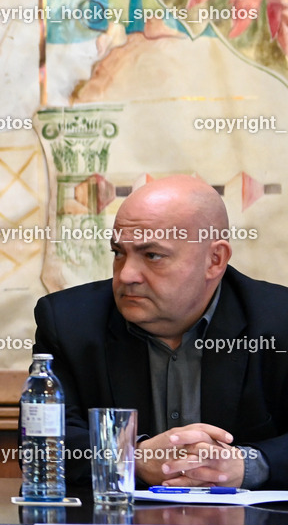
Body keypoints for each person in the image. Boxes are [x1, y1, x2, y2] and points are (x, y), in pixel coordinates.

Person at [33, 174, 288, 490]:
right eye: (119, 252)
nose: (127, 275)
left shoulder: (279, 322)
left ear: (215, 260)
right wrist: (130, 457)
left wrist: (248, 464)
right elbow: (42, 444)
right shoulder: (69, 322)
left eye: (152, 255)